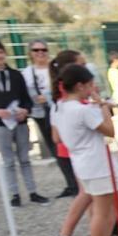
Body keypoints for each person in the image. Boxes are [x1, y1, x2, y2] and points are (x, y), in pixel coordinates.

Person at [52, 63, 118, 236]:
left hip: (84, 162)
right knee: (102, 211)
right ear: (81, 85)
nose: (93, 87)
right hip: (96, 164)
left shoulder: (61, 107)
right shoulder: (81, 110)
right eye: (91, 84)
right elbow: (110, 131)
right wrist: (103, 106)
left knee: (111, 206)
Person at [0, 41, 48, 206]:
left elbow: (26, 98)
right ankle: (14, 194)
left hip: (20, 121)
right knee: (8, 160)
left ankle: (32, 191)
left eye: (1, 52)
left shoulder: (16, 75)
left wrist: (25, 109)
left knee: (25, 158)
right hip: (0, 123)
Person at [47, 50, 85, 198]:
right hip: (77, 149)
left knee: (86, 194)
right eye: (82, 65)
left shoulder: (61, 96)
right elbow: (57, 136)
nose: (85, 68)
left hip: (72, 149)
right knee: (86, 194)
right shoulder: (70, 99)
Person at [21, 40, 57, 163]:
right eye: (36, 50)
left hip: (58, 110)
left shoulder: (55, 68)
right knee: (53, 147)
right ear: (30, 53)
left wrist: (49, 97)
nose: (40, 52)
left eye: (43, 50)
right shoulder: (26, 72)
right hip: (40, 113)